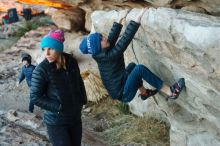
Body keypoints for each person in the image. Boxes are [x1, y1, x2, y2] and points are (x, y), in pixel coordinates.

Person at [79, 8, 185, 103]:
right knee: (139, 70)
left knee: (132, 66)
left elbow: (112, 37)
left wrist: (120, 19)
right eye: (101, 39)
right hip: (123, 93)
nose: (104, 38)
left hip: (120, 85)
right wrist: (138, 18)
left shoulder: (100, 53)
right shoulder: (108, 57)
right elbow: (125, 40)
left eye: (101, 36)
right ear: (98, 47)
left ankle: (144, 93)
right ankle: (171, 92)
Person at [30, 29, 87, 146]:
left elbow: (78, 81)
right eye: (44, 49)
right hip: (56, 122)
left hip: (75, 118)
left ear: (59, 48)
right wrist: (58, 106)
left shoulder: (71, 61)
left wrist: (82, 99)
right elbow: (35, 97)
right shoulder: (41, 70)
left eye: (51, 48)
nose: (46, 53)